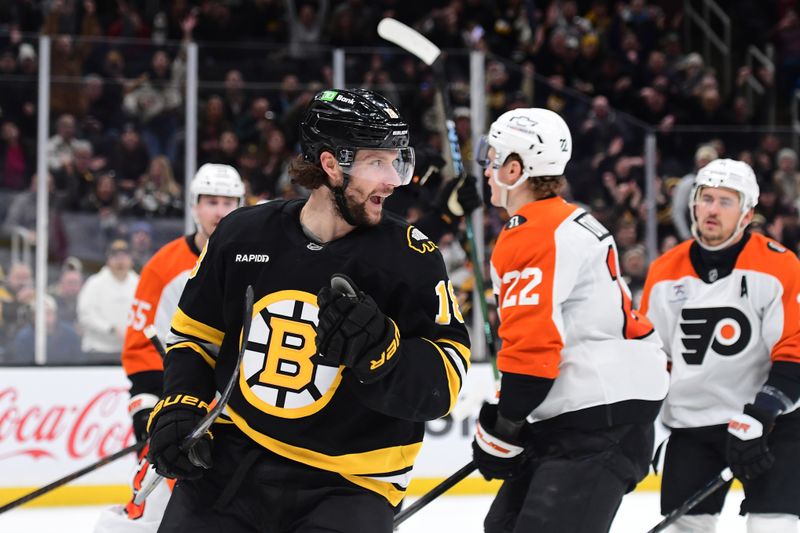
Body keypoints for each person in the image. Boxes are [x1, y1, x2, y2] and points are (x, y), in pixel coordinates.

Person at [146, 88, 471, 533]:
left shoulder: (412, 257)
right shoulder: (243, 235)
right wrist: (180, 402)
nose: (393, 180)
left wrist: (382, 352)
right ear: (331, 164)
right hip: (234, 458)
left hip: (351, 482)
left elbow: (444, 384)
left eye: (398, 162)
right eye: (378, 162)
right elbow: (195, 338)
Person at [470, 108, 669, 533]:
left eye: (493, 159)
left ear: (515, 169)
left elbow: (533, 347)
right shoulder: (563, 220)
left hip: (599, 418)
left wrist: (507, 421)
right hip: (584, 411)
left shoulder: (533, 233)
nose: (486, 169)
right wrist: (511, 415)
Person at [640, 158, 800, 533]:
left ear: (746, 214)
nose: (712, 209)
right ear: (693, 204)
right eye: (706, 198)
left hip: (771, 424)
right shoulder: (664, 272)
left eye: (726, 201)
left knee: (771, 527)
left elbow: (794, 349)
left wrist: (763, 412)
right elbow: (652, 357)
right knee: (686, 528)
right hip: (693, 427)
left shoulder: (779, 266)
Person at [93, 164, 244, 533]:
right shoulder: (163, 267)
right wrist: (148, 409)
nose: (219, 211)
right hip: (183, 405)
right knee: (154, 500)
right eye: (211, 201)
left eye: (228, 202)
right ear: (194, 206)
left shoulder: (259, 260)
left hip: (243, 409)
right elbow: (142, 346)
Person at [77, 239, 139, 360]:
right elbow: (85, 316)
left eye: (124, 257)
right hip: (98, 351)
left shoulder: (139, 283)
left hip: (132, 351)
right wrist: (110, 329)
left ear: (131, 260)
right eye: (115, 257)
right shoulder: (94, 283)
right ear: (108, 260)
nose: (120, 261)